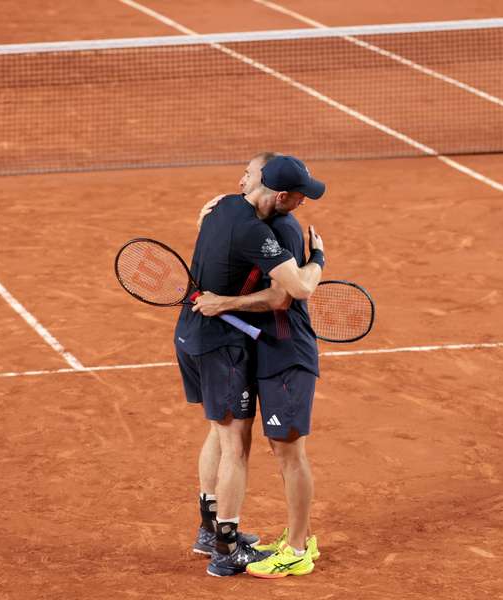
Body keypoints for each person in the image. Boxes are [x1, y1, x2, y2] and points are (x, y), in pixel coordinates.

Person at [175, 154, 327, 577]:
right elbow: (290, 292)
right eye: (300, 196)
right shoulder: (270, 231)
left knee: (219, 431)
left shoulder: (222, 205)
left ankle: (211, 532)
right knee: (234, 445)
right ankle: (226, 547)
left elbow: (214, 214)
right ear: (281, 195)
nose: (303, 203)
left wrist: (223, 300)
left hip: (192, 333)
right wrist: (319, 259)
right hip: (222, 343)